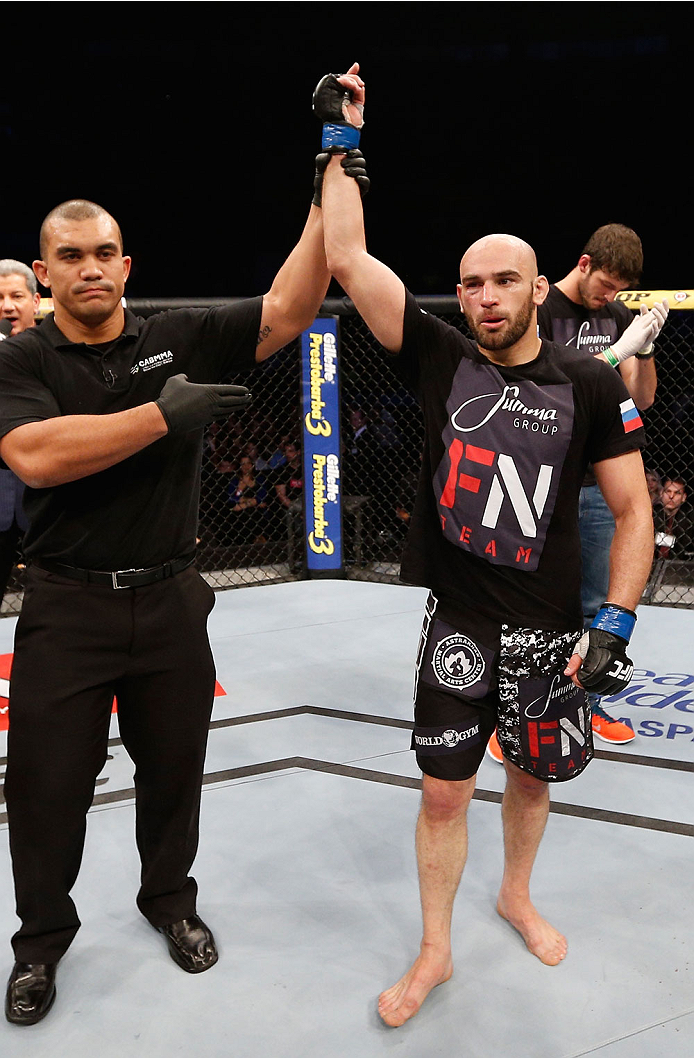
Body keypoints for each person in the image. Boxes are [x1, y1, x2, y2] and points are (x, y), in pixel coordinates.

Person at [317, 64, 655, 1027]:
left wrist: (618, 617)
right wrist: (342, 139)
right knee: (439, 795)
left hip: (549, 626)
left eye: (505, 278)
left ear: (540, 288)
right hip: (457, 620)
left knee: (534, 775)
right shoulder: (439, 356)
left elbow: (631, 512)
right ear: (458, 296)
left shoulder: (589, 383)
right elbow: (347, 258)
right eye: (470, 282)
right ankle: (435, 949)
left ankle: (515, 894)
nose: (486, 295)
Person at [0, 181, 337, 1025]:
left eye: (103, 253)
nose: (89, 269)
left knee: (175, 770)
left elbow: (293, 304)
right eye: (70, 257)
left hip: (173, 598)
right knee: (44, 788)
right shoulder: (21, 359)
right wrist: (160, 416)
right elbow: (36, 458)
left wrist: (329, 177)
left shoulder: (179, 335)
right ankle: (39, 943)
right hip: (65, 607)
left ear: (125, 265)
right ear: (44, 274)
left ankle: (169, 901)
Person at [532, 225, 667, 746]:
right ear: (584, 264)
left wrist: (645, 348)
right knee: (538, 606)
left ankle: (585, 711)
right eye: (605, 284)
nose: (609, 297)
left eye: (618, 290)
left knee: (595, 602)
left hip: (595, 482)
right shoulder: (542, 309)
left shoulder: (614, 316)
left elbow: (643, 398)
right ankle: (519, 716)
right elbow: (543, 386)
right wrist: (613, 355)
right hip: (541, 479)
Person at [0, 261, 41, 604]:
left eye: (16, 295)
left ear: (35, 302)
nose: (7, 305)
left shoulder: (55, 351)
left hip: (47, 499)